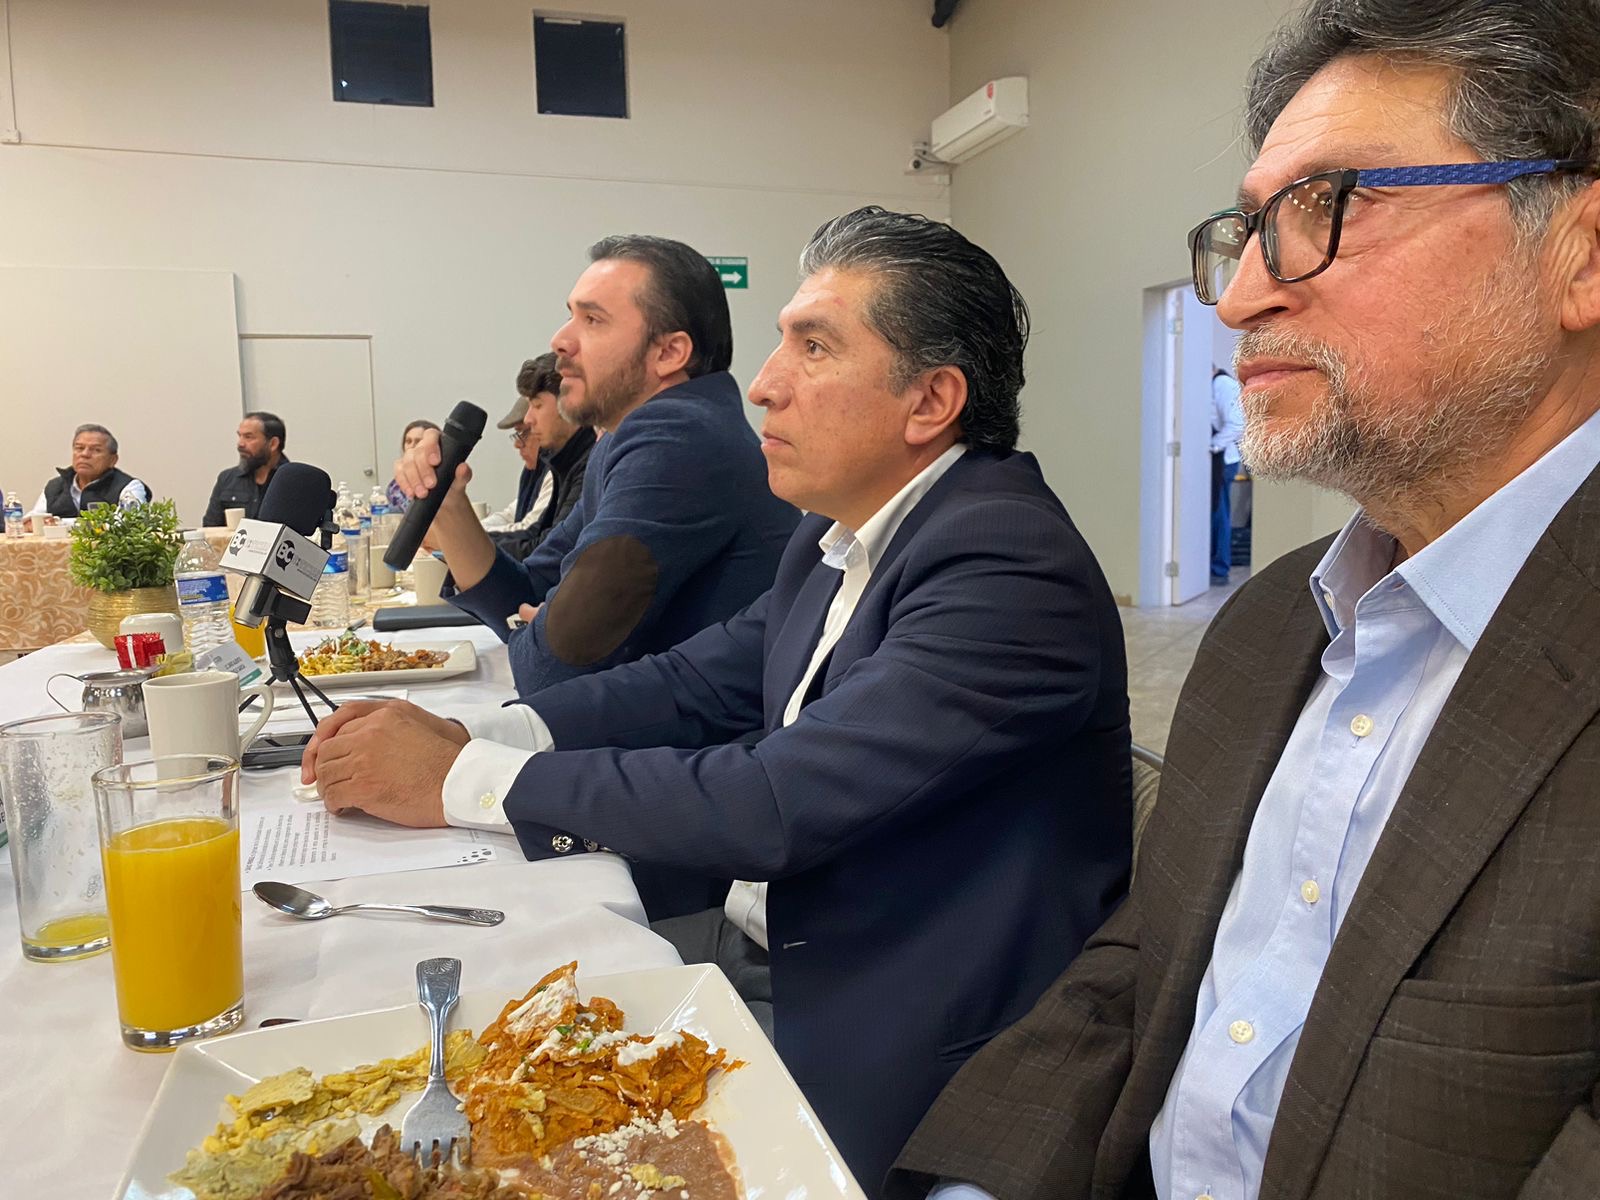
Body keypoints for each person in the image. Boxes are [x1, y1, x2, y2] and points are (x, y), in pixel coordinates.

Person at [889, 3, 1600, 1199]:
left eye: (1330, 206)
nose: (1238, 300)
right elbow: (1154, 962)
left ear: (1581, 255)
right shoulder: (1272, 623)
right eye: (1251, 228)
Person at [302, 207, 1133, 1196]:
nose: (767, 384)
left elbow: (773, 800)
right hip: (767, 955)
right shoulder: (836, 534)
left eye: (814, 347)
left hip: (916, 1054)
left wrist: (463, 780)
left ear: (931, 401)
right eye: (782, 340)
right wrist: (475, 730)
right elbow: (694, 683)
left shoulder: (1006, 563)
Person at [393, 234, 798, 697]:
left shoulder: (679, 437)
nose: (560, 340)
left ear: (669, 353)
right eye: (571, 315)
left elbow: (551, 671)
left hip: (705, 739)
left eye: (592, 320)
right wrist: (448, 503)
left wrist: (543, 630)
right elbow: (528, 592)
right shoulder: (627, 438)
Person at [488, 353, 597, 560]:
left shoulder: (590, 464)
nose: (529, 419)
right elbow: (537, 533)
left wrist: (468, 544)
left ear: (570, 402)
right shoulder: (563, 462)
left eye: (537, 405)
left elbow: (553, 549)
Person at [30, 424, 150, 520]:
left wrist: (60, 524)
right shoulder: (55, 487)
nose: (85, 454)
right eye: (79, 448)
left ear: (113, 460)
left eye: (96, 450)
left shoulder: (130, 487)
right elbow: (35, 521)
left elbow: (127, 522)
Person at [202, 411, 288, 526]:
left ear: (273, 444)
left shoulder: (293, 481)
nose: (240, 444)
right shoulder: (227, 479)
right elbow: (210, 528)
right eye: (240, 436)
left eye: (248, 437)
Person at [1210, 367, 1244, 582]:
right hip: (1212, 461)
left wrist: (1213, 445)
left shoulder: (1222, 385)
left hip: (1222, 461)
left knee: (1219, 514)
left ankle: (1219, 568)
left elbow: (1237, 424)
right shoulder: (1211, 386)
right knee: (1214, 513)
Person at [385, 419, 438, 513]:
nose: (412, 446)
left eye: (418, 441)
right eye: (408, 441)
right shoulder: (394, 486)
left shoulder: (439, 477)